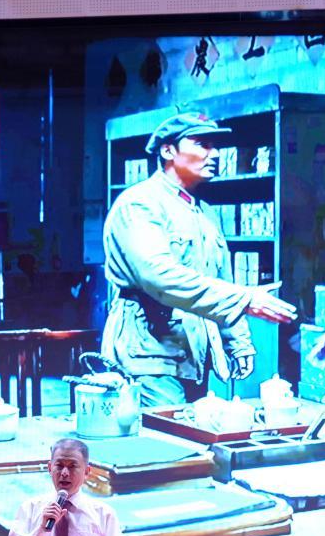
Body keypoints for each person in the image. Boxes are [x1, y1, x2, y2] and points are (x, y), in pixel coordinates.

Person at [101, 112, 297, 407]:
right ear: (168, 151)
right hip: (147, 353)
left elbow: (221, 280)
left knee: (193, 427)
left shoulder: (204, 212)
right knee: (166, 431)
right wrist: (244, 299)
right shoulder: (140, 204)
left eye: (215, 146)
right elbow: (158, 276)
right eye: (202, 144)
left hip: (192, 353)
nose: (214, 154)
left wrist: (238, 341)